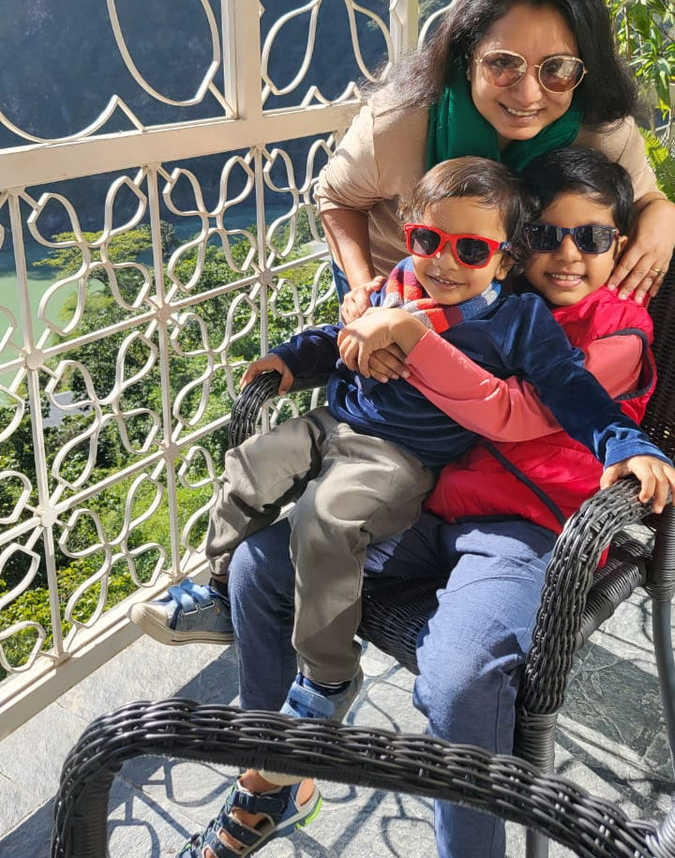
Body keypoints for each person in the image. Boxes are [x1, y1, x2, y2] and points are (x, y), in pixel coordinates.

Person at [141, 154, 674, 858]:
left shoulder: (610, 328)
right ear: (519, 247)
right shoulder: (477, 291)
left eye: (593, 238)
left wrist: (624, 440)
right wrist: (357, 330)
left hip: (526, 529)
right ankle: (278, 772)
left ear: (617, 244)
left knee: (460, 679)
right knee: (258, 566)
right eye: (547, 235)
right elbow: (373, 298)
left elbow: (519, 412)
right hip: (431, 500)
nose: (568, 254)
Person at [315, 0, 675, 319]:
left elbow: (646, 199)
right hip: (403, 292)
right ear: (467, 56)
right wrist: (365, 292)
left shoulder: (602, 132)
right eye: (503, 63)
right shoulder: (400, 123)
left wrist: (662, 214)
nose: (528, 94)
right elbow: (336, 198)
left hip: (516, 304)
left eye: (557, 68)